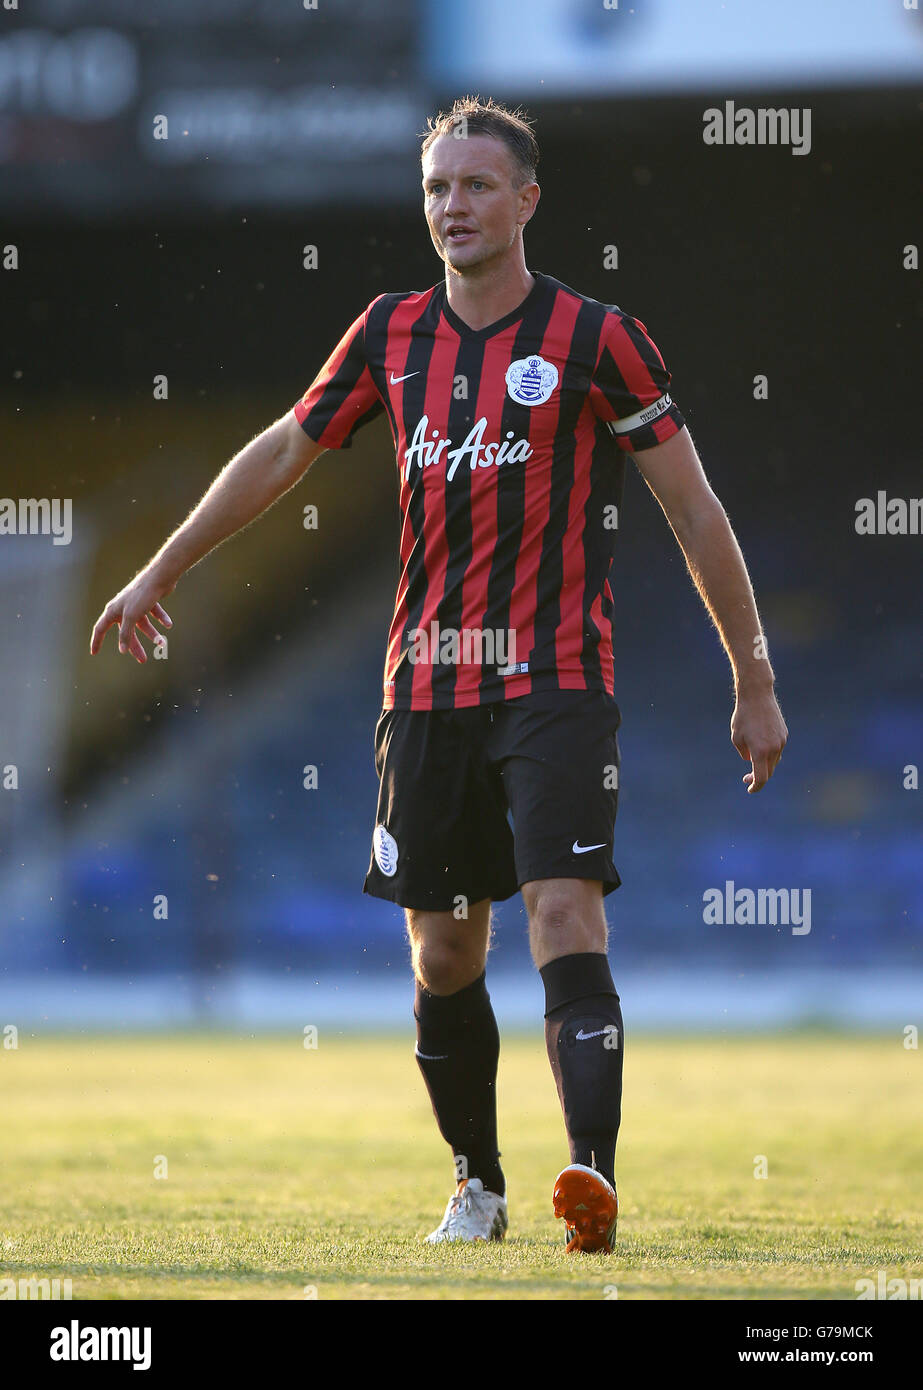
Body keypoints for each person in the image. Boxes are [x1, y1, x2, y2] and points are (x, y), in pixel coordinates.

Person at [90, 96, 788, 1254]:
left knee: (563, 909)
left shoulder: (593, 338)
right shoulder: (386, 334)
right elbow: (282, 449)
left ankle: (590, 1180)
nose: (451, 206)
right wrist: (162, 566)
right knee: (445, 947)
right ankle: (478, 1181)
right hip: (423, 693)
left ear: (526, 201)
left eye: (474, 185)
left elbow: (691, 506)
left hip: (556, 679)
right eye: (434, 188)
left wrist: (751, 676)